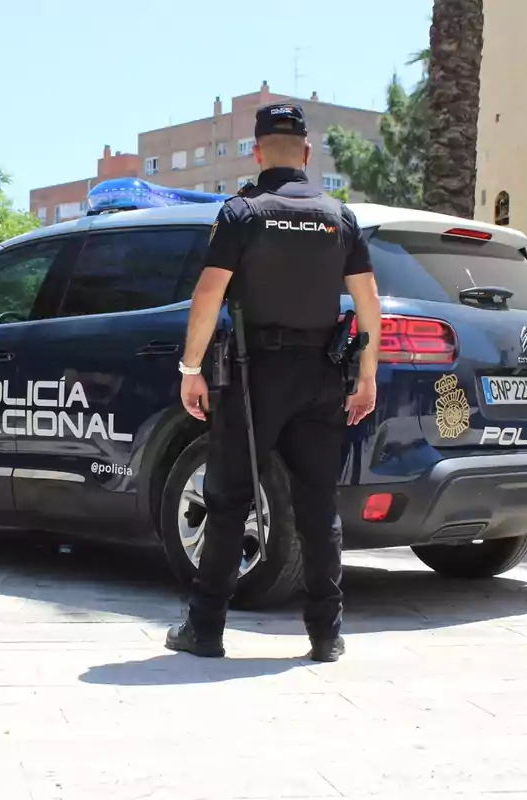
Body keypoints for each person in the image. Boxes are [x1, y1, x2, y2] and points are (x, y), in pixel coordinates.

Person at [167, 102, 382, 662]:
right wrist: (367, 376)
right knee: (317, 505)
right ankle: (326, 636)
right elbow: (368, 304)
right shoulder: (340, 217)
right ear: (308, 153)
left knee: (230, 497)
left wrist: (191, 369)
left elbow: (208, 294)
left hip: (254, 374)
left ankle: (206, 628)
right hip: (321, 376)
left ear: (257, 151)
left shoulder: (243, 213)